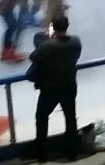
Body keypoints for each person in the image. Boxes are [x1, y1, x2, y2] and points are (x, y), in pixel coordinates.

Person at [29, 15, 82, 162]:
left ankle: (41, 152)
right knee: (70, 117)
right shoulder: (76, 41)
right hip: (69, 85)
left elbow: (33, 57)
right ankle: (71, 151)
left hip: (50, 88)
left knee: (41, 117)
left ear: (53, 27)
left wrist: (46, 41)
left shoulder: (46, 46)